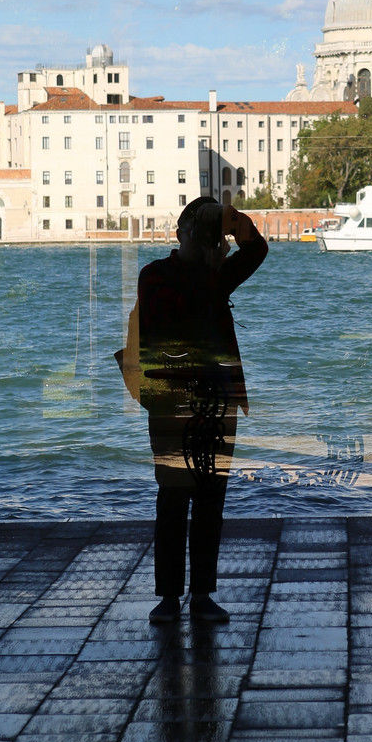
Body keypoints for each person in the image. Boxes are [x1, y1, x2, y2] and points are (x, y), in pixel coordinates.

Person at [136, 198, 267, 625]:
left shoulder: (214, 274)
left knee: (211, 498)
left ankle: (202, 594)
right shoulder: (156, 275)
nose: (204, 239)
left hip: (217, 398)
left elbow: (258, 250)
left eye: (208, 232)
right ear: (179, 234)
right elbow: (172, 314)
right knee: (173, 495)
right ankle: (170, 597)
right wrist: (211, 262)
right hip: (171, 399)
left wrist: (231, 221)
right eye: (198, 229)